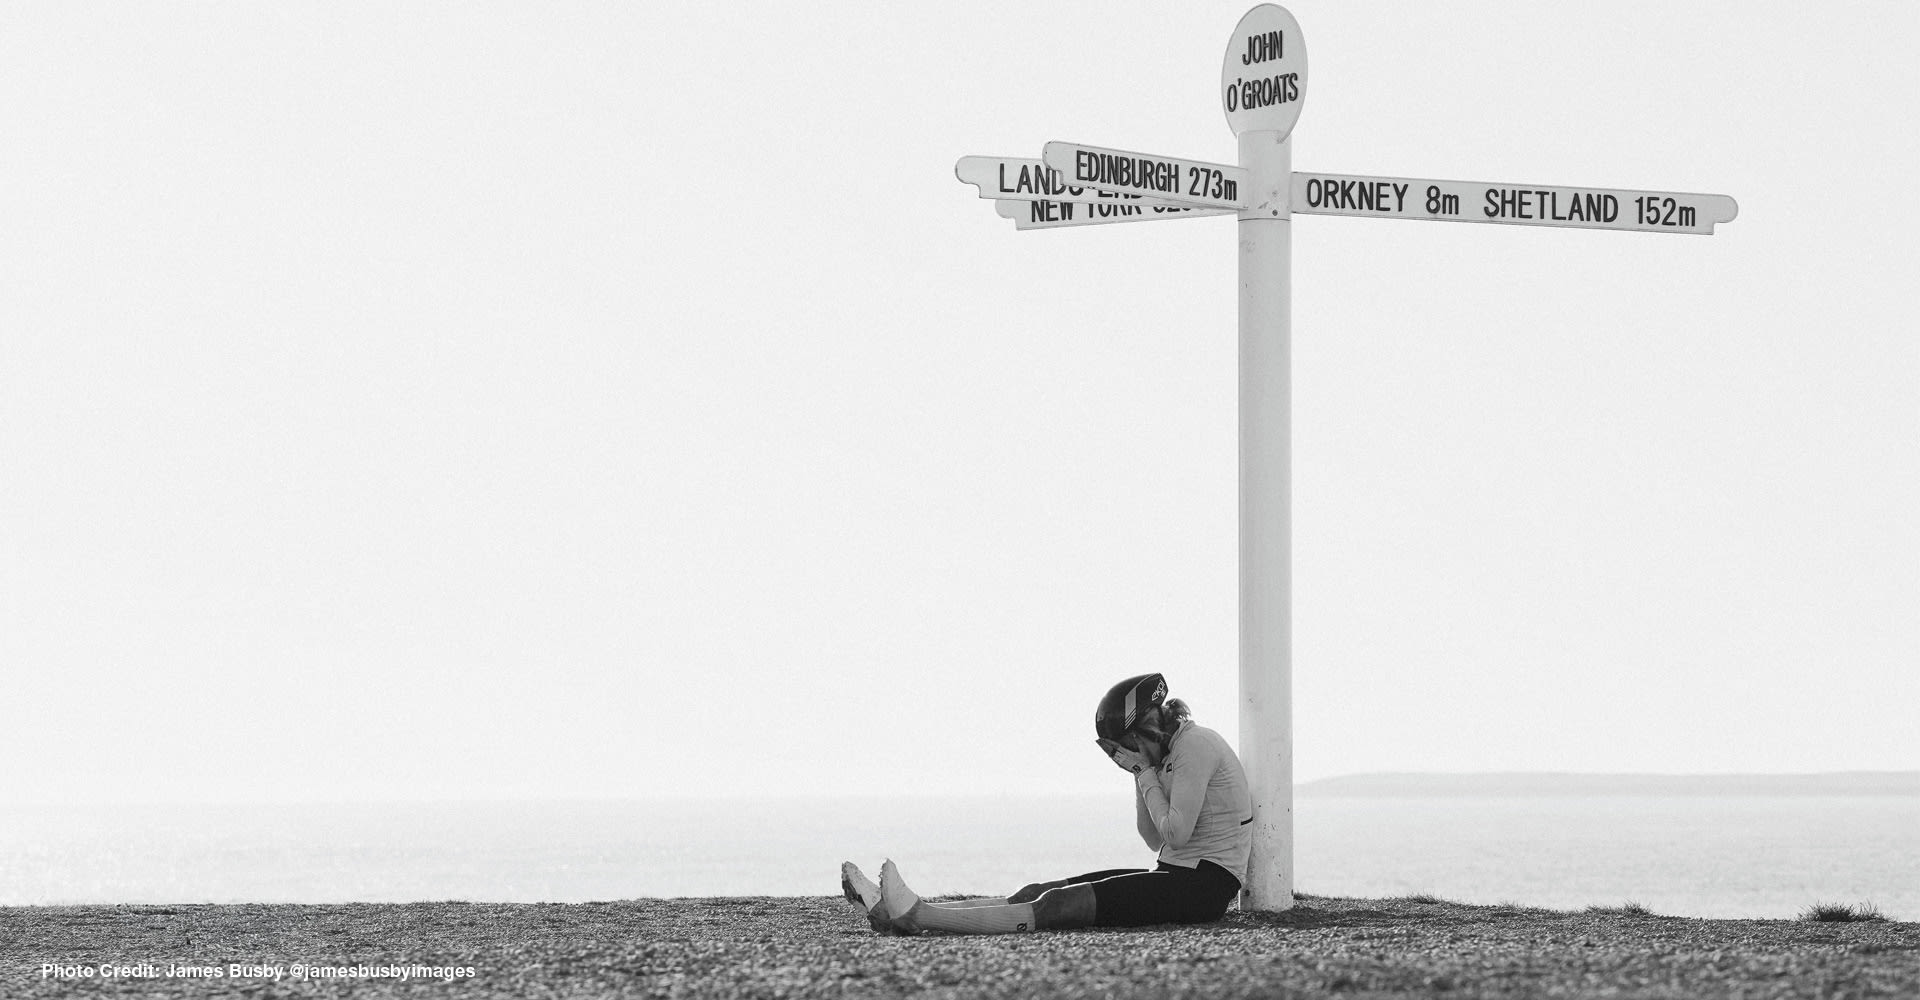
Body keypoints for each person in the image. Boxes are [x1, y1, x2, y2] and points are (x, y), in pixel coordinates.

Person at [839, 672, 1253, 935]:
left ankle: (916, 916)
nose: (1125, 756)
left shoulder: (1195, 745)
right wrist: (1139, 774)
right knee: (1039, 891)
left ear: (1144, 727)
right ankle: (903, 910)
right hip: (1176, 873)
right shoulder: (1166, 756)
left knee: (1058, 907)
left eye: (1125, 747)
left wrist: (1144, 774)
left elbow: (1175, 834)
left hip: (1204, 887)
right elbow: (1152, 839)